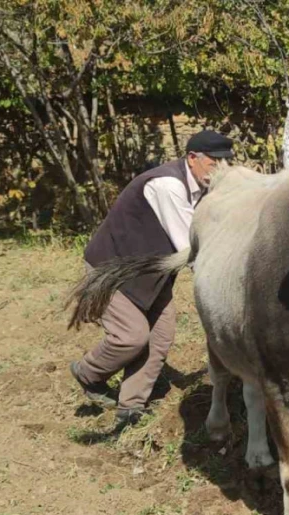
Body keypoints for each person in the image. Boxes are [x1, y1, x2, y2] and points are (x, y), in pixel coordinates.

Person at [70, 130, 234, 427]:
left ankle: (130, 407)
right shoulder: (167, 185)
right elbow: (190, 247)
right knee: (130, 337)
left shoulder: (204, 187)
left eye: (226, 163)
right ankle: (88, 373)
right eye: (215, 162)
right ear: (192, 158)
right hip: (113, 270)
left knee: (160, 336)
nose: (220, 169)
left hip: (150, 274)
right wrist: (229, 284)